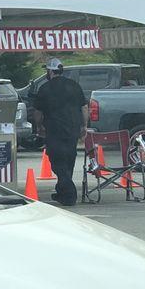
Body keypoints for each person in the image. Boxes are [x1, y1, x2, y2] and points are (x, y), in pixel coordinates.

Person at [33, 58, 88, 206]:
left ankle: (69, 195)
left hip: (54, 130)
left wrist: (39, 127)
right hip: (73, 130)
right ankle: (61, 192)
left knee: (57, 163)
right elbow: (84, 108)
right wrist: (84, 126)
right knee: (69, 160)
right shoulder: (74, 86)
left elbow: (38, 112)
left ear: (50, 71)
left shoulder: (45, 88)